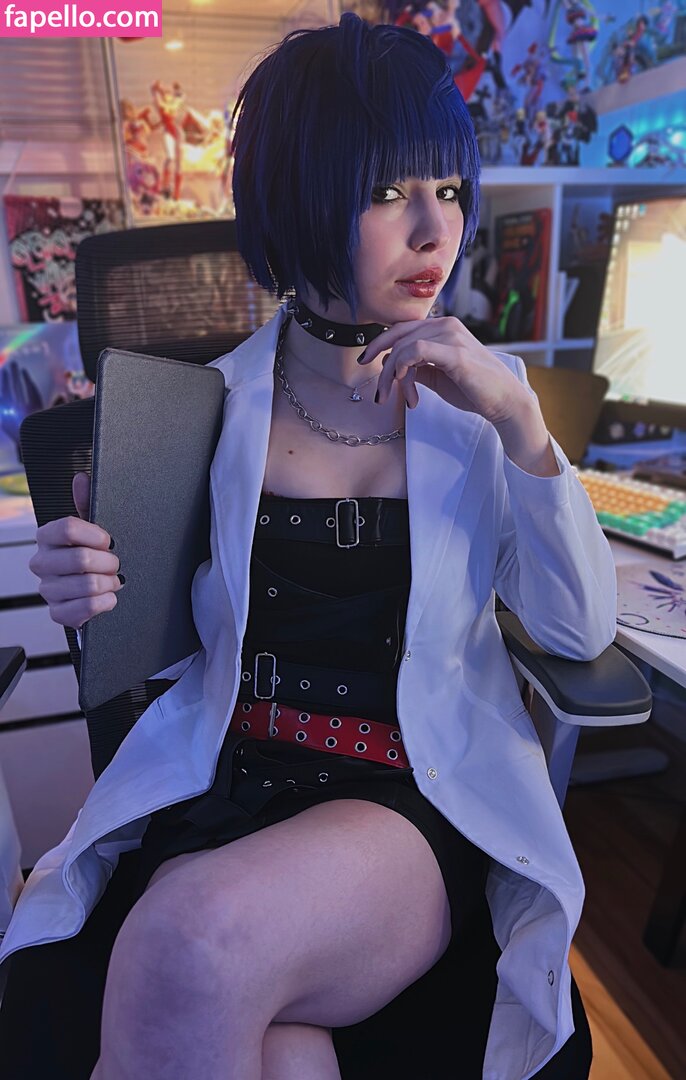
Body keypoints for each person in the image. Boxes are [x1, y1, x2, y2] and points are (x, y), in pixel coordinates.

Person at [0, 12, 614, 1079]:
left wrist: (523, 429)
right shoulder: (200, 409)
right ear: (297, 196)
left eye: (448, 189)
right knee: (281, 1054)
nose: (434, 229)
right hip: (228, 786)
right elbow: (153, 652)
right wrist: (89, 589)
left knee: (186, 946)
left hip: (407, 800)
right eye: (387, 191)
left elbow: (576, 630)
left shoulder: (489, 407)